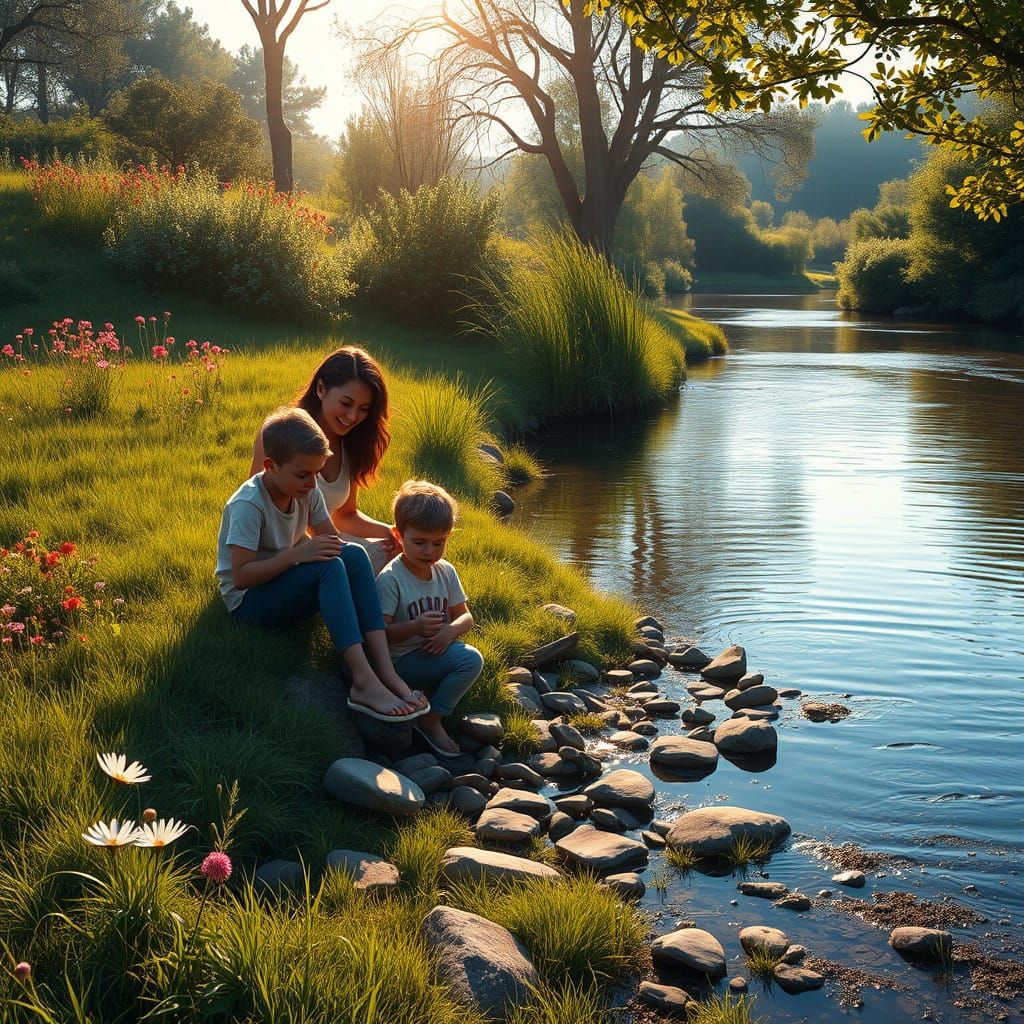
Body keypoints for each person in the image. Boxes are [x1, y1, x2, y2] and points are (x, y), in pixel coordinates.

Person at [218, 407, 428, 721]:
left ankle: (385, 671)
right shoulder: (250, 504)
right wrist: (297, 554)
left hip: (283, 581)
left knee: (352, 555)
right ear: (270, 466)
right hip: (249, 604)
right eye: (302, 474)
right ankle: (362, 681)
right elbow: (241, 577)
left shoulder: (305, 489)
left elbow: (333, 545)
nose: (312, 483)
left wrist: (376, 549)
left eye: (317, 473)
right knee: (328, 567)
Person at [250, 347, 396, 574]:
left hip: (326, 539)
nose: (353, 416)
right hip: (285, 550)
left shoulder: (352, 442)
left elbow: (346, 515)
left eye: (363, 409)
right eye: (346, 403)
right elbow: (262, 512)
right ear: (321, 389)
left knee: (405, 551)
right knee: (369, 558)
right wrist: (357, 547)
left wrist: (393, 534)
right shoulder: (281, 435)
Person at [376, 480, 484, 757]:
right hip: (400, 664)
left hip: (433, 651)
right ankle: (430, 720)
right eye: (419, 542)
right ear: (399, 537)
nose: (429, 552)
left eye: (439, 543)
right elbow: (380, 633)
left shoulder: (445, 571)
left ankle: (431, 715)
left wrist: (449, 632)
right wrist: (415, 627)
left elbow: (466, 618)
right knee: (468, 660)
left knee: (472, 659)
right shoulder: (391, 579)